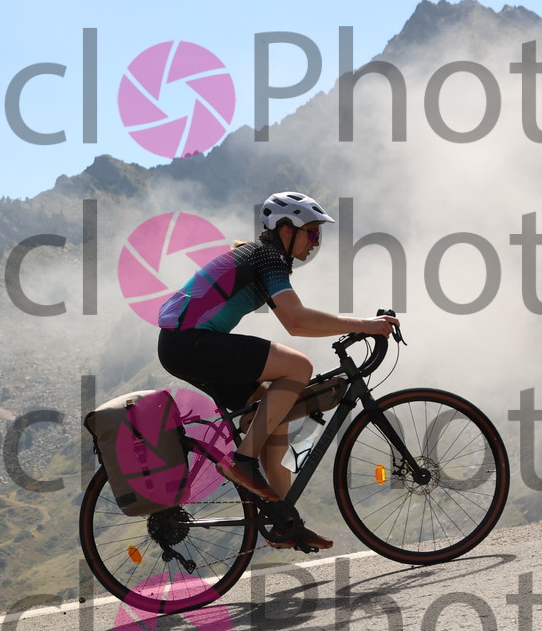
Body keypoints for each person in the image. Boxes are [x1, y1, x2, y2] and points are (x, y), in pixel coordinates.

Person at [156, 192, 398, 551]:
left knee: (273, 415)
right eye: (312, 232)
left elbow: (296, 320)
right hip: (191, 342)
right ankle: (241, 462)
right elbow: (296, 321)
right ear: (287, 230)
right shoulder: (267, 256)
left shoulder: (263, 256)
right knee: (298, 366)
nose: (316, 241)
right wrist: (366, 324)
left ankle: (285, 522)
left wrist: (362, 325)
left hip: (182, 345)